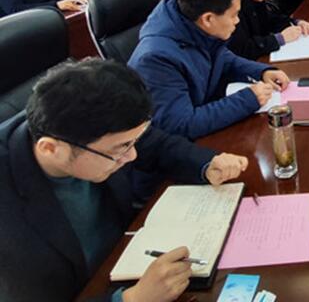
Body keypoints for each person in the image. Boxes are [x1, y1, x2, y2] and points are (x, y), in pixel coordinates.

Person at [0, 59, 249, 302]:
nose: (132, 156)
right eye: (120, 149)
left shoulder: (84, 128)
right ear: (51, 149)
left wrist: (207, 164)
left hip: (125, 257)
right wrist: (130, 299)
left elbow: (153, 143)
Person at [129, 0, 289, 140]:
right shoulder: (156, 59)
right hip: (173, 145)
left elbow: (224, 59)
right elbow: (181, 125)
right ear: (208, 19)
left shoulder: (194, 28)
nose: (237, 21)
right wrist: (248, 99)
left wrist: (262, 72)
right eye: (233, 15)